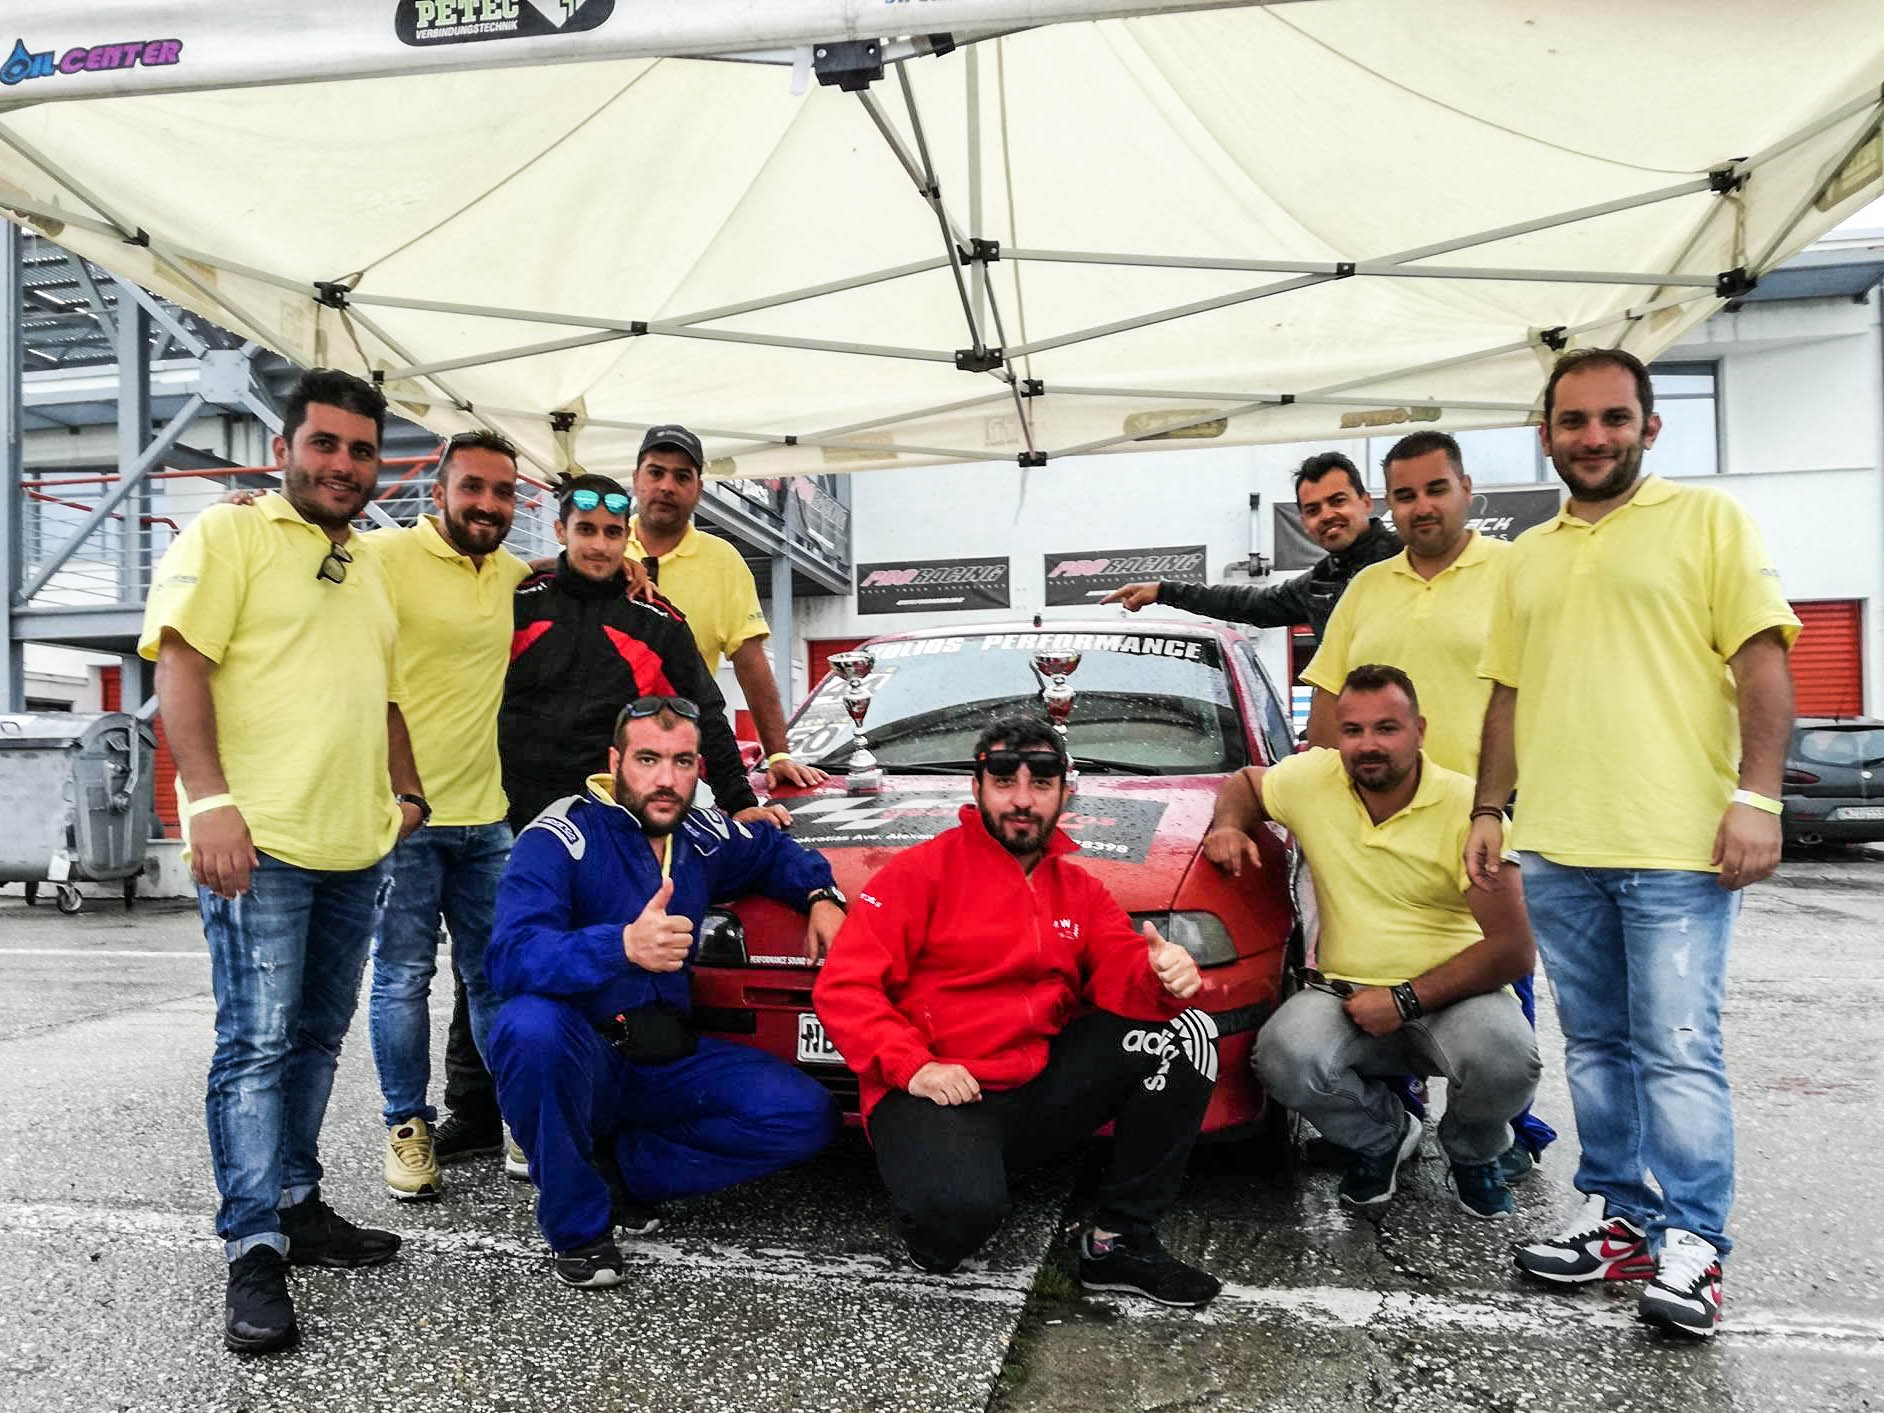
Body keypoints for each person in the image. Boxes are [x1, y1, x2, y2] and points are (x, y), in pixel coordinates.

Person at [1468, 348, 1798, 1339]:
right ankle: (1620, 1215)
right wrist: (1489, 809)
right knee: (1599, 1047)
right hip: (1559, 846)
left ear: (1650, 427)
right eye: (1574, 421)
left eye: (1615, 417)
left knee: (1678, 1049)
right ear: (1547, 435)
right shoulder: (1527, 556)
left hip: (1676, 847)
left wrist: (1759, 798)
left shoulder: (1708, 522)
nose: (1595, 436)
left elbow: (1762, 665)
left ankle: (1693, 1242)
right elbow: (1508, 694)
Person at [140, 368, 422, 1355]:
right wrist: (208, 800)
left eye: (360, 450)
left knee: (315, 1038)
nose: (343, 464)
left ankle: (298, 1203)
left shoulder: (370, 565)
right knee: (255, 1044)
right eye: (325, 443)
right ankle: (253, 1244)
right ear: (284, 450)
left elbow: (384, 697)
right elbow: (181, 662)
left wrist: (409, 794)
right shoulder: (229, 535)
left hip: (354, 848)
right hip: (257, 844)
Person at [814, 714, 1222, 1308]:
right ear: (977, 787)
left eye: (1041, 782)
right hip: (937, 1091)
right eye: (1005, 781)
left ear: (1064, 792)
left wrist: (1164, 977)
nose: (1023, 800)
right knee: (955, 1226)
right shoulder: (917, 874)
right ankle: (950, 1189)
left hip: (1035, 1089)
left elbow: (1123, 977)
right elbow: (844, 988)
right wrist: (914, 1066)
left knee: (1187, 1033)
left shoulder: (1080, 892)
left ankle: (1119, 1242)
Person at [485, 696, 846, 1288]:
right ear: (615, 762)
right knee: (529, 1028)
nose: (666, 779)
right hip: (583, 1062)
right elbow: (509, 957)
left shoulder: (700, 831)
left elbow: (770, 851)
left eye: (682, 763)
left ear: (699, 768)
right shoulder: (558, 837)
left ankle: (620, 1173)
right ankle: (577, 1228)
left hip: (665, 1059)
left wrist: (820, 896)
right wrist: (620, 946)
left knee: (804, 1115)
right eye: (648, 759)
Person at [1299, 431, 1556, 1179]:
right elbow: (1327, 709)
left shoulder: (1513, 572)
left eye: (1436, 489)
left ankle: (1499, 1133)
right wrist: (1320, 810)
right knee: (1372, 976)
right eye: (1405, 495)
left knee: (1497, 984)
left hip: (1482, 822)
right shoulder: (1368, 588)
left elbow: (1538, 694)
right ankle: (1389, 1127)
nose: (1422, 507)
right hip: (1378, 826)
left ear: (1467, 489)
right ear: (1390, 504)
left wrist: (1502, 806)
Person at [1208, 665, 1540, 1221]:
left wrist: (1404, 1000)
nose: (1368, 745)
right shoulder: (1314, 780)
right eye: (1353, 730)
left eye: (1387, 728)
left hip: (1458, 999)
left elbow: (1512, 950)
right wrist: (1227, 826)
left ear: (1419, 731)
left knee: (1508, 1060)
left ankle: (1472, 1152)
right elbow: (1245, 783)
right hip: (1346, 995)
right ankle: (1384, 1135)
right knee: (1283, 1057)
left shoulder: (1466, 809)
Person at [356, 430, 533, 1202]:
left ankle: (517, 1115)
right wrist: (251, 510)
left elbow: (571, 574)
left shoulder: (515, 574)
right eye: (473, 488)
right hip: (403, 819)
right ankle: (407, 1126)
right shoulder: (382, 555)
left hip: (488, 820)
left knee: (495, 977)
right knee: (401, 977)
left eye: (503, 492)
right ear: (438, 494)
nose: (488, 504)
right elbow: (302, 551)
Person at [500, 472, 773, 830]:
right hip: (508, 818)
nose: (600, 545)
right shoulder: (517, 601)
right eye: (586, 530)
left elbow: (706, 713)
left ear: (625, 537)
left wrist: (739, 802)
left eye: (612, 533)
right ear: (560, 531)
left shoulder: (657, 622)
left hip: (611, 821)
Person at [623, 425, 829, 790]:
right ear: (636, 479)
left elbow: (752, 666)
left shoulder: (723, 561)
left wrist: (778, 755)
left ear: (698, 490)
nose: (667, 486)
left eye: (682, 477)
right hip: (599, 761)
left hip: (681, 767)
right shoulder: (604, 545)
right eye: (656, 473)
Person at [1101, 451, 1400, 637]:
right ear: (1303, 522)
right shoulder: (1321, 581)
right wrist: (1165, 591)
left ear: (1365, 501)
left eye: (1337, 501)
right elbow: (1256, 604)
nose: (1326, 515)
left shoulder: (1410, 560)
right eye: (1313, 509)